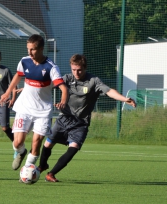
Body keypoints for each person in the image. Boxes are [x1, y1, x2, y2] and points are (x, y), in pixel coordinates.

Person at [38, 54, 137, 182]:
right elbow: (48, 86)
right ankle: (42, 166)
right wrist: (29, 89)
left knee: (73, 148)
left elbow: (109, 91)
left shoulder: (93, 81)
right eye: (73, 69)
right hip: (64, 119)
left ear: (85, 68)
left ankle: (51, 174)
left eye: (79, 70)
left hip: (81, 123)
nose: (76, 72)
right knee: (47, 144)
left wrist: (125, 99)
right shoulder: (67, 78)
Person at [0, 34, 68, 171]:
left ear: (41, 49)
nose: (29, 52)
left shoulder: (51, 67)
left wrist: (63, 101)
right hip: (24, 107)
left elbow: (63, 88)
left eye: (33, 49)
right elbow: (18, 75)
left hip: (43, 111)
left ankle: (27, 170)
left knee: (36, 143)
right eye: (28, 49)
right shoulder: (24, 61)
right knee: (17, 142)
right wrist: (7, 93)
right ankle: (22, 152)